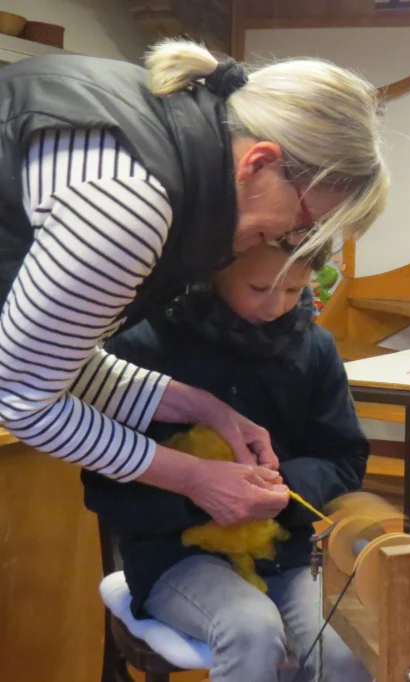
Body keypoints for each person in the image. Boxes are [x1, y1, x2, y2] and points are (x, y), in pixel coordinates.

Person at [0, 41, 387, 526]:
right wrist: (196, 479)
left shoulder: (164, 136)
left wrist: (202, 408)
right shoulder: (131, 208)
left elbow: (54, 363)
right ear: (259, 164)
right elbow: (20, 400)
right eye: (303, 223)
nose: (292, 240)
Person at [83, 241, 371, 682]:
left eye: (294, 290)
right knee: (251, 629)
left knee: (346, 646)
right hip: (173, 555)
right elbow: (105, 486)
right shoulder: (144, 344)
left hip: (286, 553)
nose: (276, 306)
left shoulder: (315, 349)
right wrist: (199, 496)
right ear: (216, 269)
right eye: (259, 288)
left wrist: (284, 488)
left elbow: (344, 458)